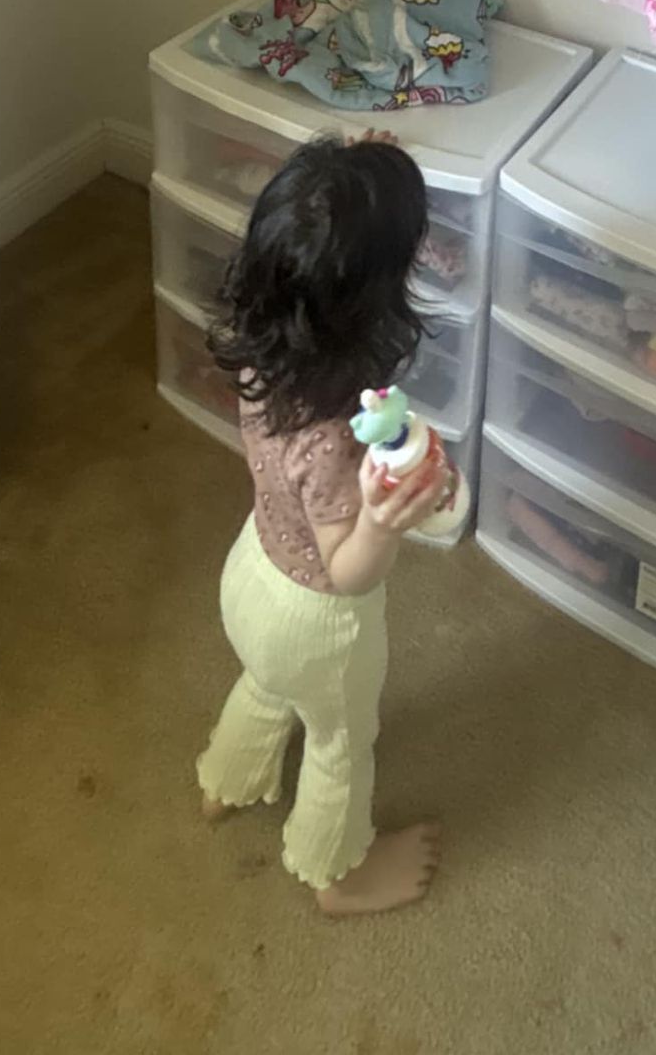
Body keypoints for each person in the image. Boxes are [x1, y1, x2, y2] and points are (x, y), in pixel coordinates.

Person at [196, 134, 446, 914]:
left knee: (265, 684)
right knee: (341, 744)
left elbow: (318, 230)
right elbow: (348, 573)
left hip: (252, 574)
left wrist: (353, 181)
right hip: (319, 622)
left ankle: (225, 782)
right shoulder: (338, 434)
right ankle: (338, 871)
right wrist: (383, 517)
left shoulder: (258, 354)